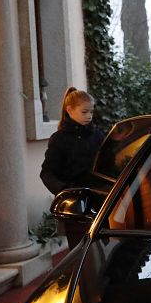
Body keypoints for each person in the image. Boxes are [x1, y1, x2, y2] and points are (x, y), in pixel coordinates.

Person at [40, 87, 105, 248]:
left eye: (91, 112)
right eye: (84, 112)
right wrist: (65, 191)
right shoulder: (59, 139)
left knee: (101, 250)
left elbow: (107, 164)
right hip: (75, 207)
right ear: (69, 110)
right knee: (80, 251)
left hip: (100, 201)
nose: (89, 116)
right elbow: (47, 173)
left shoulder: (98, 135)